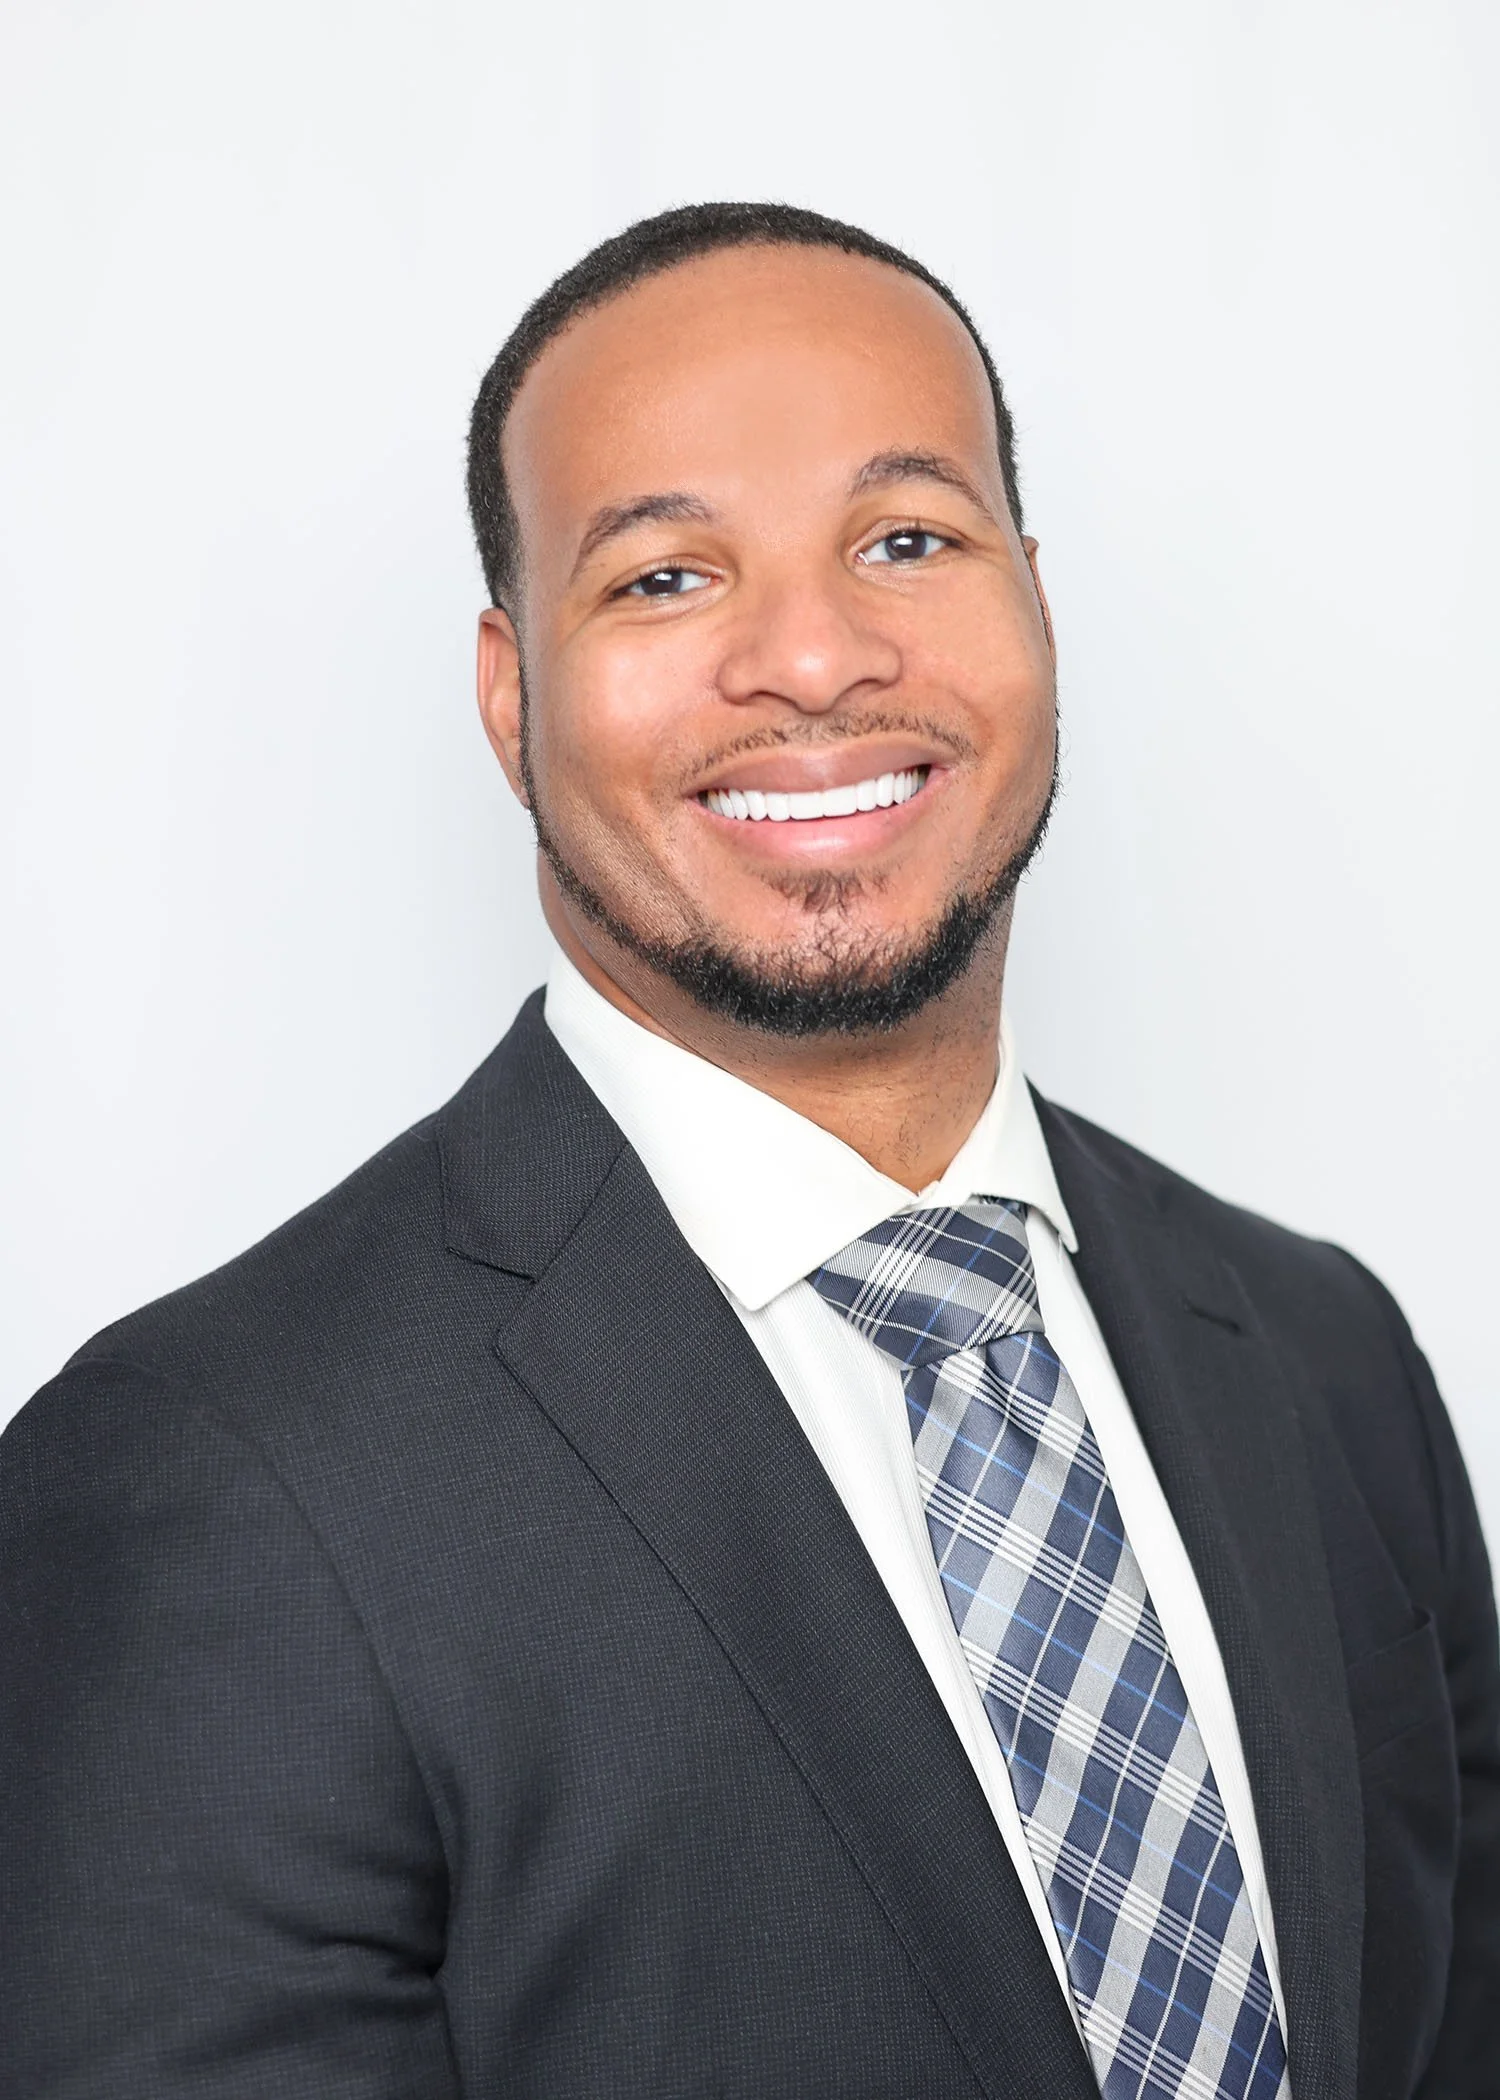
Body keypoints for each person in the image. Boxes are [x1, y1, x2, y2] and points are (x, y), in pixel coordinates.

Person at [2, 201, 1495, 2100]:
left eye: (905, 540)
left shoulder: (1325, 1361)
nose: (814, 656)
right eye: (663, 579)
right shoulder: (205, 1486)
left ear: (1033, 603)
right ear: (508, 694)